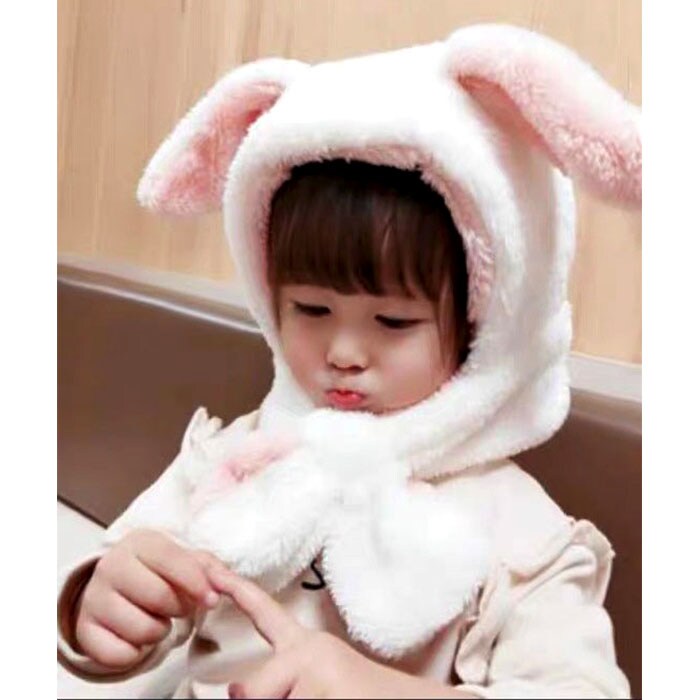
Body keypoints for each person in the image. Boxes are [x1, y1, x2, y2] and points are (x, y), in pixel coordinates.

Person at [58, 23, 640, 699]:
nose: (342, 353)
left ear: (484, 323)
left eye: (393, 322)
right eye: (311, 310)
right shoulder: (237, 456)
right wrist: (99, 603)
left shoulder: (518, 532)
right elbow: (129, 569)